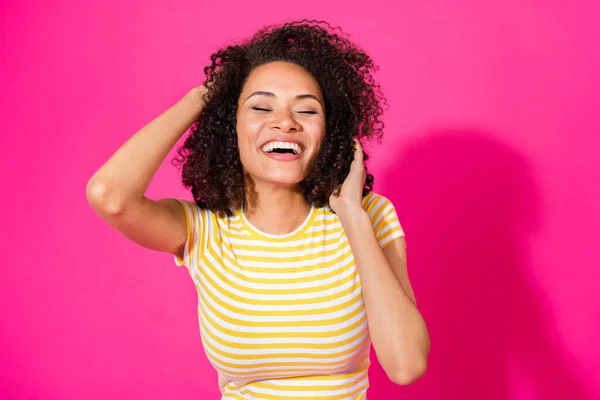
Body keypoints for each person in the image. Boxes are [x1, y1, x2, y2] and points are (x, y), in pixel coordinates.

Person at [86, 20, 430, 399]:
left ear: (329, 133)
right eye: (261, 107)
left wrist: (351, 214)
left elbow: (406, 364)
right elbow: (109, 196)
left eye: (307, 111)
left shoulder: (368, 216)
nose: (285, 123)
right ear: (229, 127)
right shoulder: (203, 228)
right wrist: (206, 95)